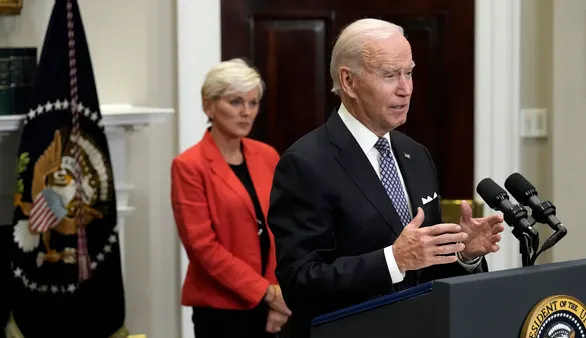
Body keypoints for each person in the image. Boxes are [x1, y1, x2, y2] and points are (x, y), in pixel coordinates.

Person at [266, 18, 505, 337]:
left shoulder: (416, 154)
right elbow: (300, 282)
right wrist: (392, 260)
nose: (405, 89)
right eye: (390, 75)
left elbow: (423, 265)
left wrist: (462, 254)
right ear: (348, 81)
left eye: (409, 73)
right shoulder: (305, 163)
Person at [171, 58, 291, 338]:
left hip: (274, 302)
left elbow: (280, 228)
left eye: (253, 103)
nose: (246, 112)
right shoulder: (189, 166)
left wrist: (277, 299)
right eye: (235, 102)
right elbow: (203, 248)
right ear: (208, 105)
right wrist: (266, 293)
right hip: (222, 309)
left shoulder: (267, 155)